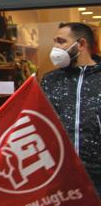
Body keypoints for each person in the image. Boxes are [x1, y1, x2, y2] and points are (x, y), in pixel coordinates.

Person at [41, 22, 100, 194]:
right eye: (55, 41)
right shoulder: (50, 80)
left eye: (61, 41)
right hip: (59, 176)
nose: (56, 47)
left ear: (81, 45)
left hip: (97, 178)